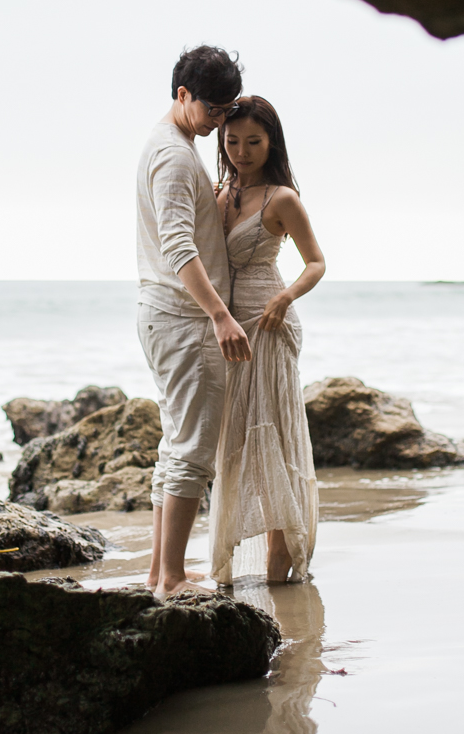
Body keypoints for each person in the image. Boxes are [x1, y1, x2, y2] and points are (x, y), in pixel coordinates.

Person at [137, 45, 251, 597]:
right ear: (183, 95)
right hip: (184, 321)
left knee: (174, 442)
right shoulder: (177, 155)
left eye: (229, 109)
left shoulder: (172, 146)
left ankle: (161, 572)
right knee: (193, 449)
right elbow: (178, 246)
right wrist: (221, 316)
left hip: (166, 316)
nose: (221, 121)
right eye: (214, 109)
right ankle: (174, 578)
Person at [210, 95, 325, 585]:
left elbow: (316, 262)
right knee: (233, 437)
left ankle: (280, 553)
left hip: (271, 324)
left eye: (252, 141)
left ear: (271, 141)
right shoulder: (219, 192)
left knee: (271, 434)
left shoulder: (282, 198)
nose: (241, 151)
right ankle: (229, 553)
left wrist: (285, 299)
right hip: (230, 327)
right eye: (232, 141)